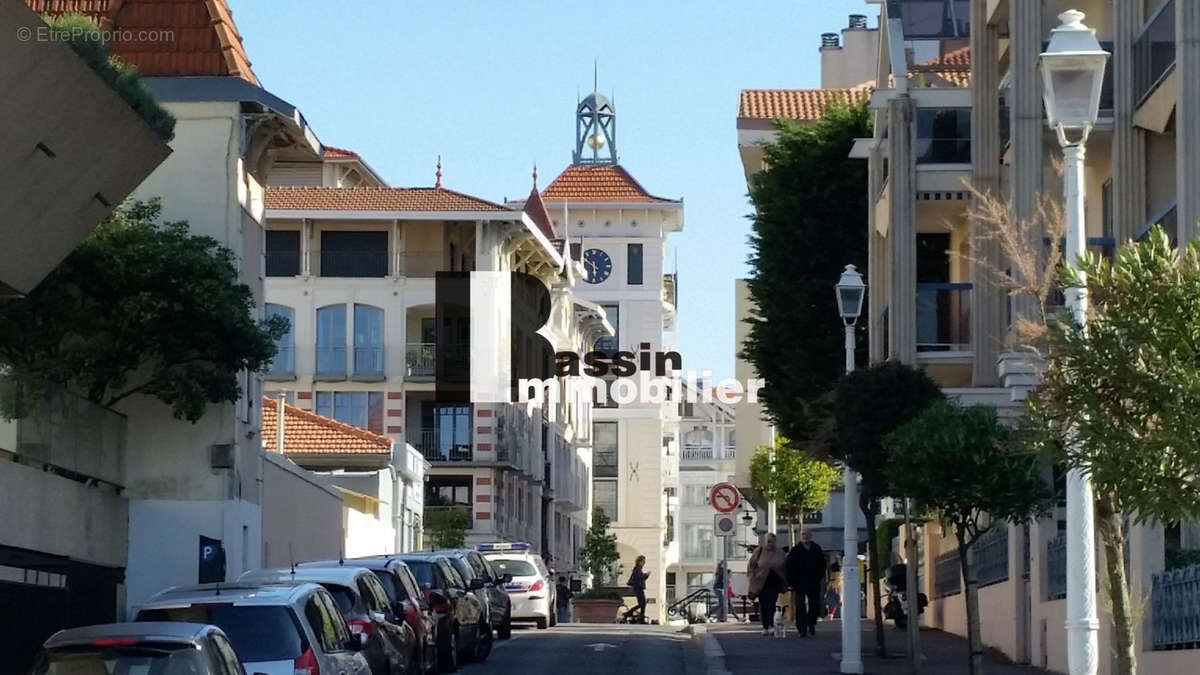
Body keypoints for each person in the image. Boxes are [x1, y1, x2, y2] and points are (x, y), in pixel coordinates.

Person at [786, 529, 827, 636]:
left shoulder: (816, 549)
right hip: (799, 583)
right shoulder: (796, 550)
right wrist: (791, 582)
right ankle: (802, 629)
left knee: (814, 605)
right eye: (803, 534)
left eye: (807, 534)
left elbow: (822, 564)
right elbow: (789, 566)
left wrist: (819, 576)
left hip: (813, 582)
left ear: (811, 535)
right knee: (800, 605)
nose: (805, 536)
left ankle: (811, 623)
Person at [747, 533, 788, 636]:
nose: (770, 544)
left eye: (772, 541)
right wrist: (752, 579)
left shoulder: (780, 553)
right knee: (763, 604)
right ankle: (765, 626)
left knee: (771, 603)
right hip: (761, 582)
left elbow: (784, 567)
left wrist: (785, 579)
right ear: (765, 541)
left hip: (774, 582)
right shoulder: (759, 551)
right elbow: (751, 566)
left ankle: (771, 625)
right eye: (769, 541)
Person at [628, 555, 650, 623]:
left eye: (644, 562)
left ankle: (632, 613)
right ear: (639, 561)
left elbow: (641, 579)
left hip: (639, 587)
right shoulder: (637, 568)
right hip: (638, 588)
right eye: (643, 561)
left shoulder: (639, 568)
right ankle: (639, 617)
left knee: (642, 603)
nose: (644, 563)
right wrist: (645, 575)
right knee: (642, 603)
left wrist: (646, 576)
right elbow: (638, 577)